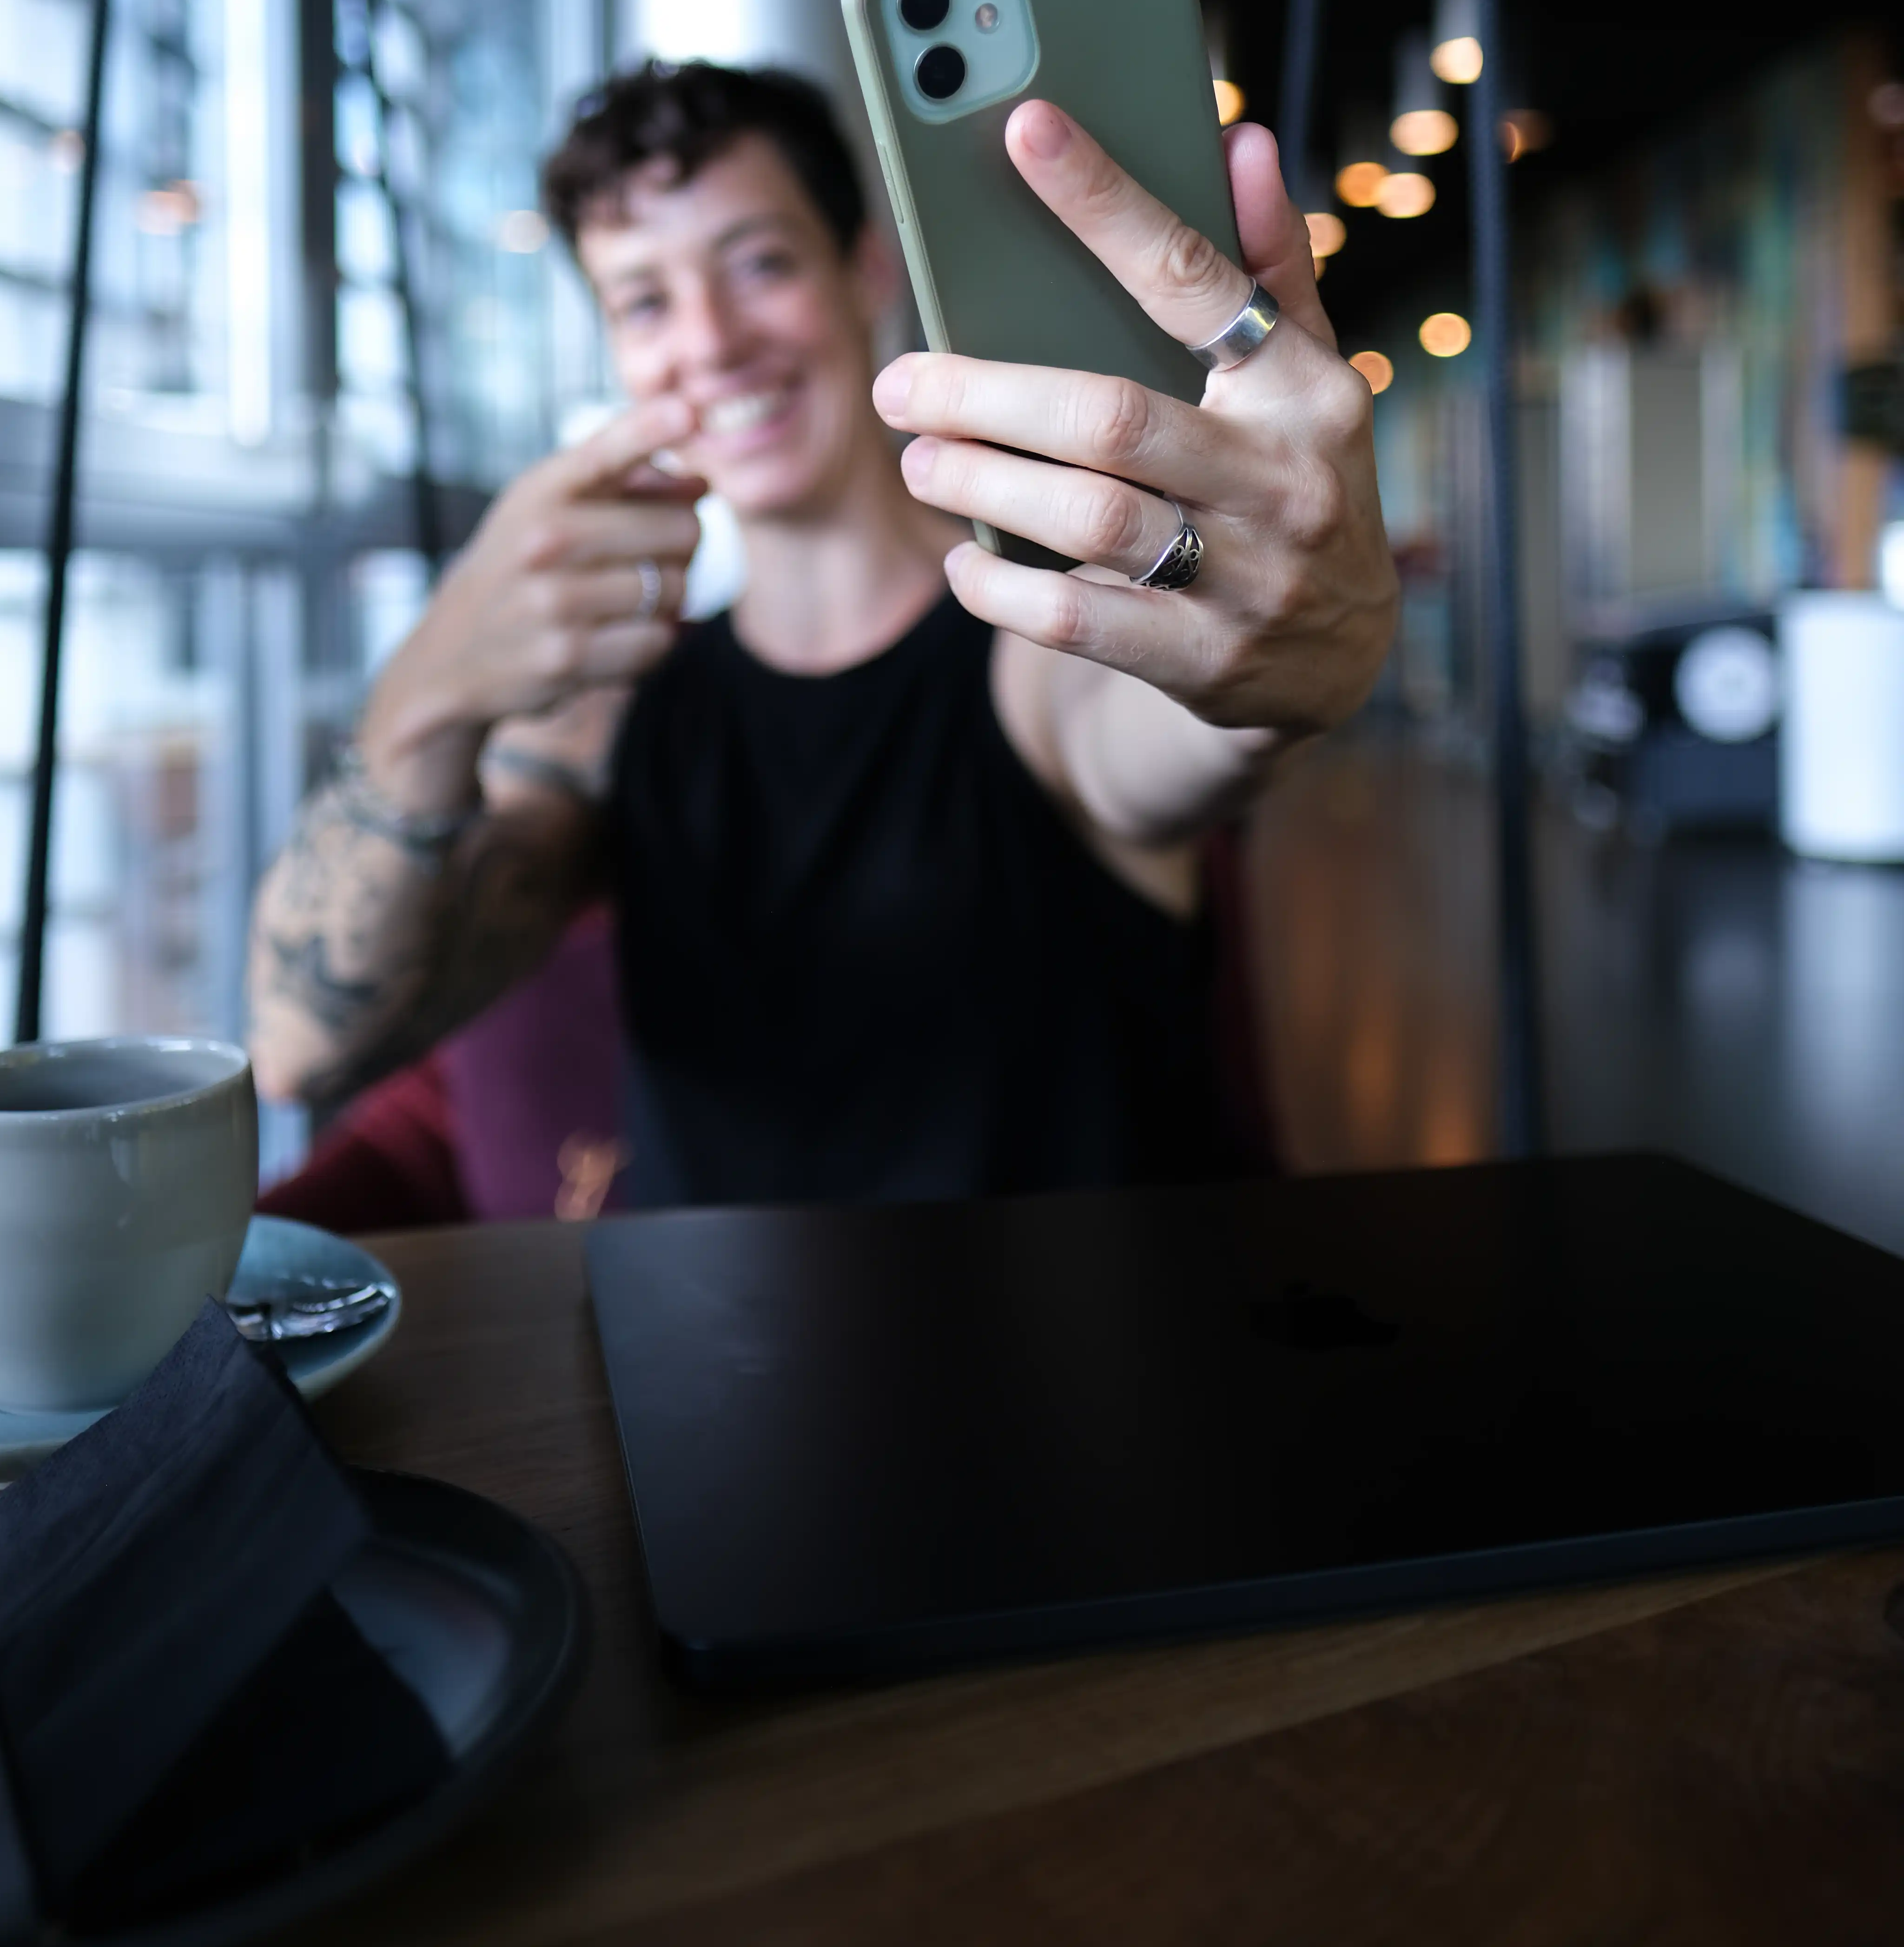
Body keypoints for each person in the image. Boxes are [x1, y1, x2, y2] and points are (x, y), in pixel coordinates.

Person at [247, 61, 1396, 1203]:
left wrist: (1274, 660)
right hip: (712, 1375)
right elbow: (305, 1047)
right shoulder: (621, 708)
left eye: (757, 263)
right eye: (645, 301)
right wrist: (427, 697)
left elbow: (1178, 728)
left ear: (863, 267)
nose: (710, 340)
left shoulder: (1040, 635)